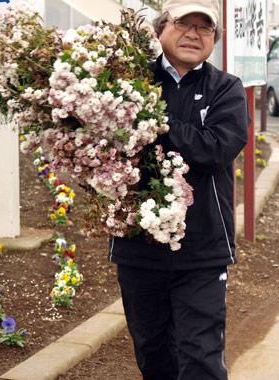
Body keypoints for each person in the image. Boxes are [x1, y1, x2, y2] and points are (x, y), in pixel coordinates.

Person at [107, 0, 249, 378]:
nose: (193, 34)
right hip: (139, 245)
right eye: (183, 23)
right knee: (152, 351)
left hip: (203, 249)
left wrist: (154, 121)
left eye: (204, 28)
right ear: (160, 29)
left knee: (202, 354)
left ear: (214, 40)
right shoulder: (128, 82)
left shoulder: (226, 88)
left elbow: (216, 149)